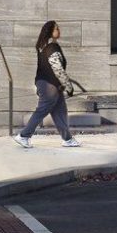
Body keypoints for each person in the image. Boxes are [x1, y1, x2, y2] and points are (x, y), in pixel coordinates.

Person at [15, 20, 82, 149]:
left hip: (47, 84)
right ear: (50, 32)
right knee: (42, 111)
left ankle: (67, 139)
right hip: (50, 85)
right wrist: (69, 86)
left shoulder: (43, 47)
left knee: (60, 112)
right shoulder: (52, 47)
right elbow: (57, 68)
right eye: (56, 29)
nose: (59, 31)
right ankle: (24, 136)